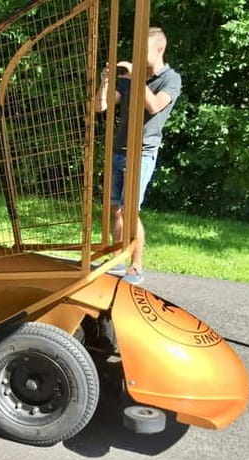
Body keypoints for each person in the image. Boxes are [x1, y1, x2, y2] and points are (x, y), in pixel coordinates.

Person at [95, 26, 181, 285]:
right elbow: (101, 107)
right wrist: (105, 81)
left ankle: (136, 267)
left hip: (142, 154)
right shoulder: (131, 78)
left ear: (159, 49)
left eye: (142, 50)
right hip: (118, 151)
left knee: (130, 211)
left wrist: (136, 79)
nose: (137, 55)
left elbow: (154, 106)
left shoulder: (171, 79)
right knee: (114, 209)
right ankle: (117, 259)